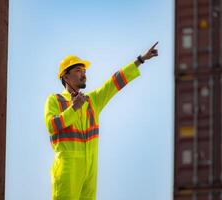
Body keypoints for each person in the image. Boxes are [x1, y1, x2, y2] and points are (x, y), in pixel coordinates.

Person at [44, 42, 158, 200]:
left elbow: (113, 83)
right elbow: (51, 126)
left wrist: (140, 60)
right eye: (78, 70)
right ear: (65, 76)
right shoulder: (55, 100)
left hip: (90, 172)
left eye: (84, 71)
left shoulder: (92, 101)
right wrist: (73, 108)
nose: (84, 74)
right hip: (67, 171)